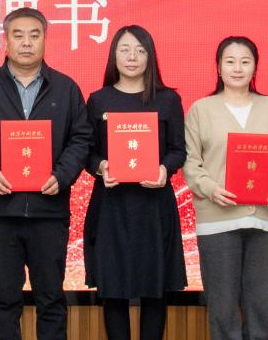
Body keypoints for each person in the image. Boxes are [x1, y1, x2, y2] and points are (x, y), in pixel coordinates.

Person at [0, 7, 94, 340]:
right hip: (0, 213)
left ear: (45, 39)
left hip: (49, 212)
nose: (26, 43)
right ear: (6, 40)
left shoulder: (66, 88)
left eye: (34, 35)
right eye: (18, 35)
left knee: (51, 300)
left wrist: (62, 175)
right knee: (3, 301)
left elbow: (82, 138)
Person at [183, 36, 268, 340]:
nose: (237, 68)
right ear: (218, 67)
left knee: (262, 309)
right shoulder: (201, 109)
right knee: (223, 310)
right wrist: (210, 188)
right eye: (230, 61)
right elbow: (191, 162)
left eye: (245, 61)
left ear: (255, 67)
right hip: (218, 221)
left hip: (267, 220)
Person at [82, 25, 187, 340]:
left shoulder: (168, 100)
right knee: (113, 290)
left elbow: (178, 150)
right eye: (125, 50)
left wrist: (164, 169)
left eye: (140, 51)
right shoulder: (98, 100)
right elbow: (86, 152)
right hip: (112, 206)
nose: (132, 57)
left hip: (154, 206)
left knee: (155, 289)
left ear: (150, 56)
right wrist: (101, 166)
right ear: (113, 55)